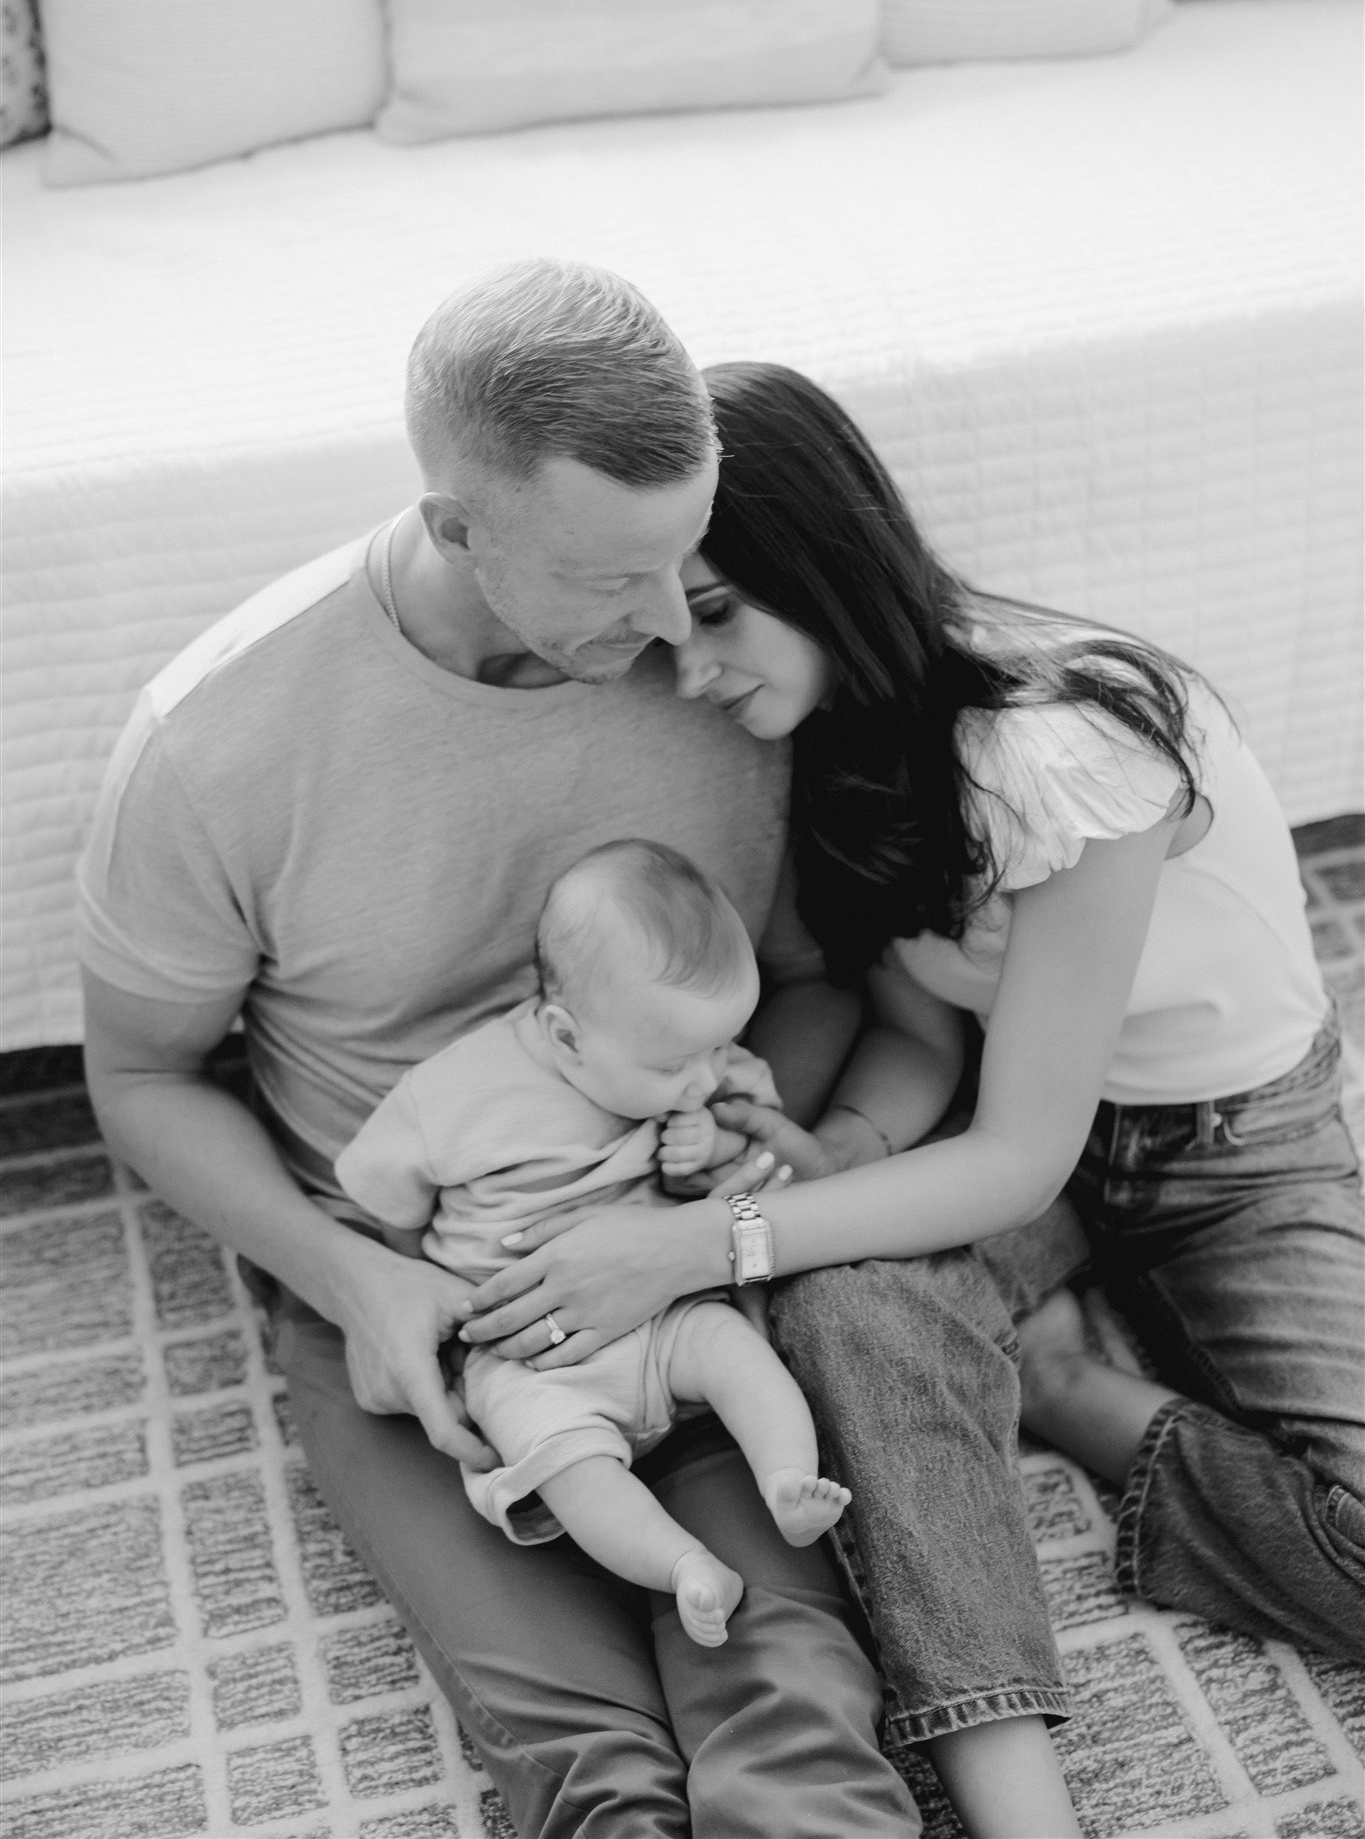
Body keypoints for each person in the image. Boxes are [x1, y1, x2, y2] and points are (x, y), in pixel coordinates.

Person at [456, 360, 1364, 1838]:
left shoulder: (1065, 746)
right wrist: (839, 1158)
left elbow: (1010, 1156)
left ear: (821, 558)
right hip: (1028, 1141)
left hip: (1231, 1149)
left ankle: (1063, 1384)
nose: (689, 674)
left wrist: (708, 1240)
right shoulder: (827, 734)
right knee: (845, 1309)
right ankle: (1024, 1814)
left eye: (713, 615)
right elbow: (922, 1029)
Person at [76, 277, 923, 1839]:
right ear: (455, 527)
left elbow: (804, 980)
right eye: (617, 577)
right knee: (586, 1759)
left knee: (793, 1688)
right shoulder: (219, 744)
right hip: (412, 1285)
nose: (677, 623)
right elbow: (137, 1081)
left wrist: (712, 1144)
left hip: (675, 1243)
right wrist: (361, 1287)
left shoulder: (714, 658)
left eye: (691, 553)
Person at [336, 837, 852, 1650]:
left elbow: (745, 1161)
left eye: (720, 1046)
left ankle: (787, 1479)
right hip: (530, 1355)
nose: (707, 1077)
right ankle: (682, 1566)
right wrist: (415, 1280)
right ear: (567, 1037)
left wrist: (709, 1148)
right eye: (680, 1063)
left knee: (737, 1354)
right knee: (567, 1468)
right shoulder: (452, 1096)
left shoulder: (694, 1073)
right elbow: (384, 1204)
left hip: (663, 1310)